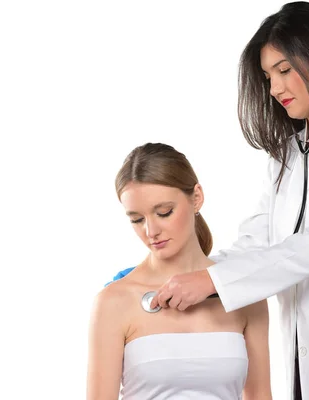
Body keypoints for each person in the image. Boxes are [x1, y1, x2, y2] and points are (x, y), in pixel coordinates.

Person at [108, 2, 309, 399]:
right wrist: (171, 278)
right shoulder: (287, 154)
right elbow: (256, 243)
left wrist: (208, 281)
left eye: (284, 71)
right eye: (268, 76)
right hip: (307, 359)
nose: (275, 89)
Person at [86, 143, 273, 399]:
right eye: (137, 219)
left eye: (164, 212)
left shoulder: (243, 293)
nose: (151, 231)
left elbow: (261, 395)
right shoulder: (114, 301)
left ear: (196, 198)